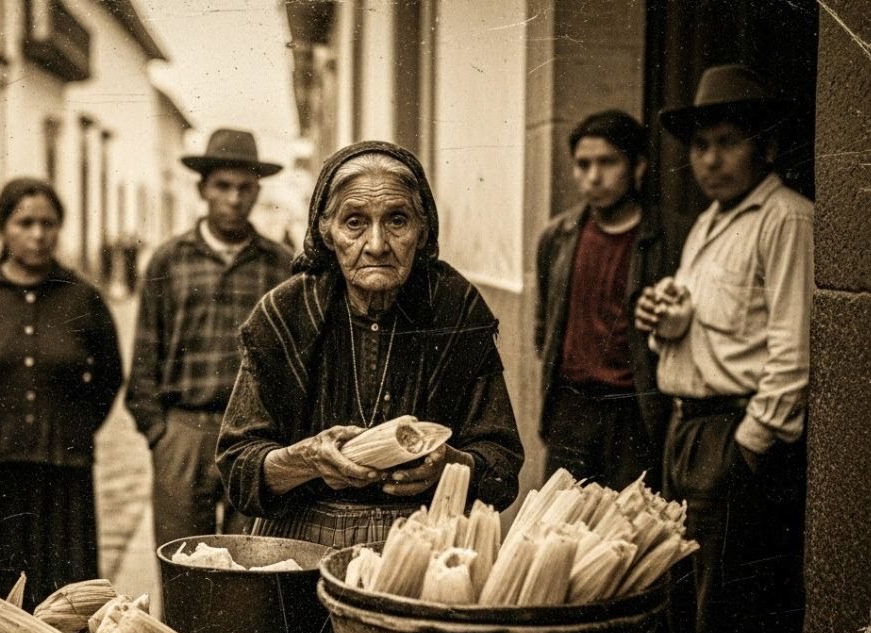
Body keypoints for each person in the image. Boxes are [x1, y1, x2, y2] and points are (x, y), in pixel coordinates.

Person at [217, 141, 523, 547]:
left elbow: (502, 467)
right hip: (301, 545)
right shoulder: (285, 315)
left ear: (423, 229)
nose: (377, 245)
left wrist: (452, 465)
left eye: (397, 220)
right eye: (355, 222)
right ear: (326, 232)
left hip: (423, 544)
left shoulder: (455, 310)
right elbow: (238, 468)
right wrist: (305, 459)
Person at [635, 64, 812, 633]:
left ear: (764, 146)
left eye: (728, 142)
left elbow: (795, 350)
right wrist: (669, 325)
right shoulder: (711, 221)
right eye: (701, 146)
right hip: (688, 427)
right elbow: (711, 332)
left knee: (728, 614)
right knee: (685, 604)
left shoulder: (787, 219)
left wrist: (751, 444)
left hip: (731, 434)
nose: (710, 159)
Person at [0, 178, 123, 631]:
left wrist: (73, 426)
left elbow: (110, 376)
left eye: (48, 223)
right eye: (25, 223)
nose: (38, 234)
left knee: (64, 598)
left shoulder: (82, 297)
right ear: (3, 228)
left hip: (63, 472)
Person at [126, 128, 294, 548]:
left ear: (258, 192)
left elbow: (295, 359)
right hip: (184, 433)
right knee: (183, 568)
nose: (234, 199)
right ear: (203, 188)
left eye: (245, 188)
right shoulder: (169, 259)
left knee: (252, 566)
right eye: (223, 186)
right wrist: (159, 433)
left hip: (258, 439)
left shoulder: (281, 266)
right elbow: (146, 354)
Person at [535, 110, 682, 490]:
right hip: (571, 408)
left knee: (628, 534)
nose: (593, 177)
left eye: (607, 162)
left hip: (633, 411)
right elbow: (544, 326)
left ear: (638, 167)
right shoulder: (558, 236)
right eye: (583, 165)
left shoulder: (667, 239)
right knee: (558, 527)